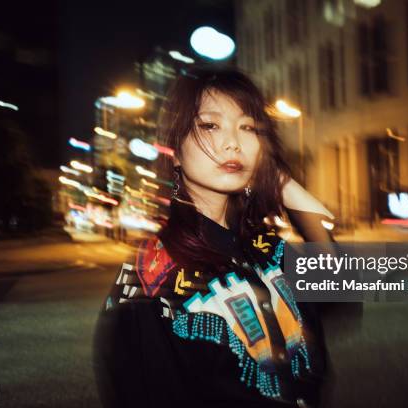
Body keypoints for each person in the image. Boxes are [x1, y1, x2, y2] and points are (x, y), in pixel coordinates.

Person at [93, 67, 343, 408]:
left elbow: (341, 290)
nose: (233, 143)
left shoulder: (268, 249)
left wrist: (283, 185)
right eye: (210, 125)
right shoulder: (150, 280)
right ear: (175, 151)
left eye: (249, 128)